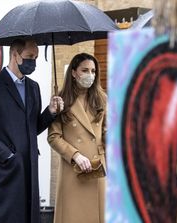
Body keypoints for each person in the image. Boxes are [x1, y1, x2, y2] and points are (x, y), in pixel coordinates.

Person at [0, 39, 64, 223]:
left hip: (30, 169)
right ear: (14, 54)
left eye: (36, 57)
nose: (33, 62)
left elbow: (32, 127)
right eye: (29, 57)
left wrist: (50, 112)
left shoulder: (33, 87)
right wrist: (7, 154)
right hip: (5, 172)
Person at [47, 53, 107, 223]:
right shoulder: (61, 100)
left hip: (97, 169)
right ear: (73, 72)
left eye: (93, 71)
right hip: (73, 170)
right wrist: (75, 155)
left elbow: (106, 131)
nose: (90, 75)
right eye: (85, 70)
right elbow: (53, 137)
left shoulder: (102, 99)